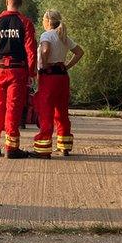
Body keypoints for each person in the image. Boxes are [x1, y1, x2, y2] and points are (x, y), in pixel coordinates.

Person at [0, 0, 38, 159]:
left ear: (6, 1)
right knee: (13, 108)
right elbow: (31, 50)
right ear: (21, 3)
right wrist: (32, 72)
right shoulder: (25, 23)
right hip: (17, 70)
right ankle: (11, 148)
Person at [32, 10, 84, 158]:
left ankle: (43, 148)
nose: (42, 22)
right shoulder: (64, 36)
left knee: (46, 112)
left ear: (48, 21)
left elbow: (46, 49)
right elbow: (80, 52)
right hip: (62, 76)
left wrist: (43, 64)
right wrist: (67, 66)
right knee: (61, 111)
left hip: (49, 77)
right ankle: (64, 145)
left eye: (43, 19)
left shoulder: (46, 35)